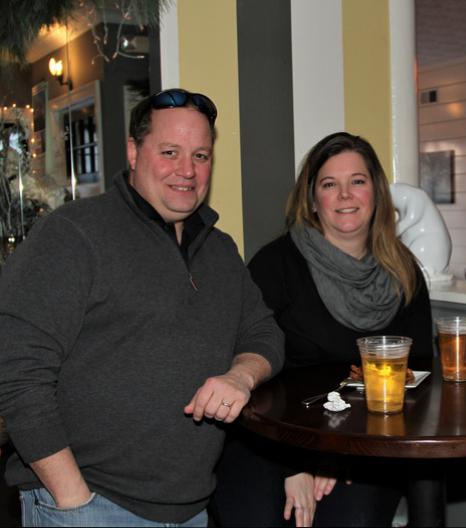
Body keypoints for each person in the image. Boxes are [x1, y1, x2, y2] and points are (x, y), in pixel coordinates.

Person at [0, 88, 285, 527]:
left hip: (191, 509)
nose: (187, 171)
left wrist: (240, 375)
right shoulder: (73, 234)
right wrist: (72, 498)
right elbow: (17, 372)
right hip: (91, 506)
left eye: (201, 155)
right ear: (134, 152)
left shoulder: (220, 250)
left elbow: (264, 335)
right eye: (170, 152)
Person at [212, 132, 433, 527]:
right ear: (313, 200)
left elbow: (414, 380)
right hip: (269, 441)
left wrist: (340, 451)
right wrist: (296, 461)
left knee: (351, 519)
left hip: (368, 444)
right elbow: (242, 365)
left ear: (377, 193)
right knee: (262, 519)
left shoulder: (405, 272)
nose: (346, 195)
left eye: (358, 181)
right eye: (330, 185)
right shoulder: (275, 266)